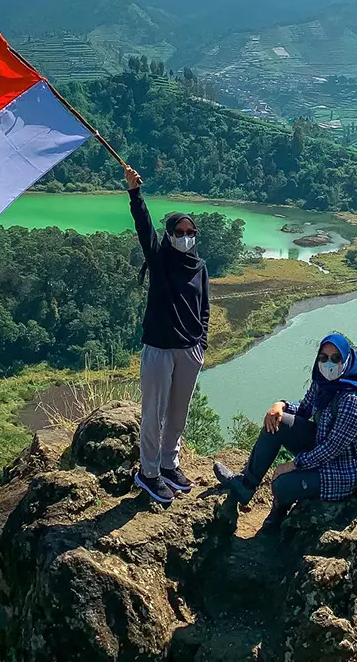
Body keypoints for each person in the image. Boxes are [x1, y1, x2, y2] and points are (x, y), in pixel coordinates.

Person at [213, 332, 357, 533]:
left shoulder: (353, 400)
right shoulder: (322, 383)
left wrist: (294, 464)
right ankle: (246, 484)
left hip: (343, 469)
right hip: (321, 445)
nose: (329, 364)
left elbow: (332, 449)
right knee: (277, 421)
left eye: (336, 358)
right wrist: (280, 405)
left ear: (346, 359)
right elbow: (305, 408)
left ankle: (278, 512)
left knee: (282, 483)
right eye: (323, 358)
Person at [124, 163, 211, 504]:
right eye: (180, 232)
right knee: (154, 413)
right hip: (159, 348)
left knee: (178, 413)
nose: (186, 237)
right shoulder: (159, 260)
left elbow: (204, 307)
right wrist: (135, 193)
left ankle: (168, 463)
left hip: (189, 351)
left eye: (191, 232)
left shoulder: (199, 267)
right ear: (170, 234)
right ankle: (148, 473)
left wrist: (201, 342)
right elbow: (144, 227)